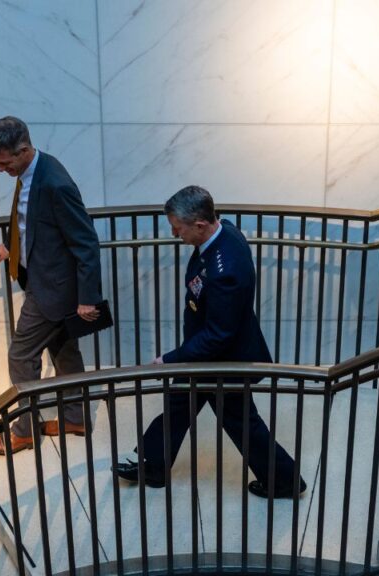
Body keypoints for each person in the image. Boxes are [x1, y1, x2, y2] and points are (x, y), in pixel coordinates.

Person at [114, 185, 306, 499]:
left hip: (222, 360)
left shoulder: (225, 269)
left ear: (201, 225)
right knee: (178, 404)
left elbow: (218, 334)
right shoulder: (224, 232)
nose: (175, 234)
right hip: (208, 354)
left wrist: (171, 359)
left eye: (178, 229)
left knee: (240, 421)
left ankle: (285, 479)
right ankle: (154, 465)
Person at [0, 116, 103, 455]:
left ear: (23, 150)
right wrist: (11, 250)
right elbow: (32, 223)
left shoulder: (55, 183)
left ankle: (23, 431)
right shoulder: (32, 172)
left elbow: (86, 242)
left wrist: (88, 298)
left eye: (4, 162)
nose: (0, 169)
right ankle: (76, 416)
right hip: (46, 279)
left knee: (21, 356)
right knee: (64, 351)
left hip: (52, 289)